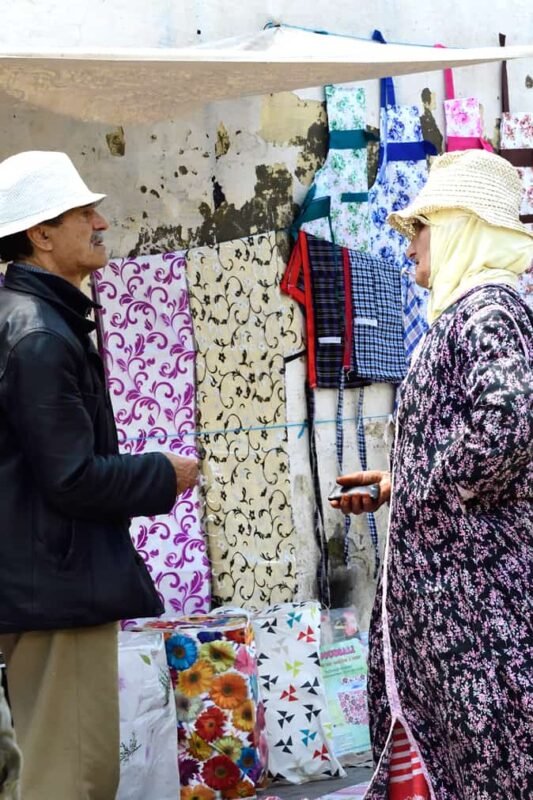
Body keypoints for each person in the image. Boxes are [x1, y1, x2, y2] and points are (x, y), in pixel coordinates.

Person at [330, 150, 533, 799]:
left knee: (492, 771)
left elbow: (507, 427)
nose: (409, 243)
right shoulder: (467, 314)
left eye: (420, 226)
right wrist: (399, 484)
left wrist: (428, 487)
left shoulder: (487, 312)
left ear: (457, 227)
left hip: (477, 614)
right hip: (457, 614)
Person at [0, 150, 199, 799]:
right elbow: (71, 478)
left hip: (44, 581)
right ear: (41, 233)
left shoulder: (33, 319)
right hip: (58, 587)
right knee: (73, 777)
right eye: (84, 212)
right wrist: (162, 474)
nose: (101, 223)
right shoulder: (38, 334)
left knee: (47, 768)